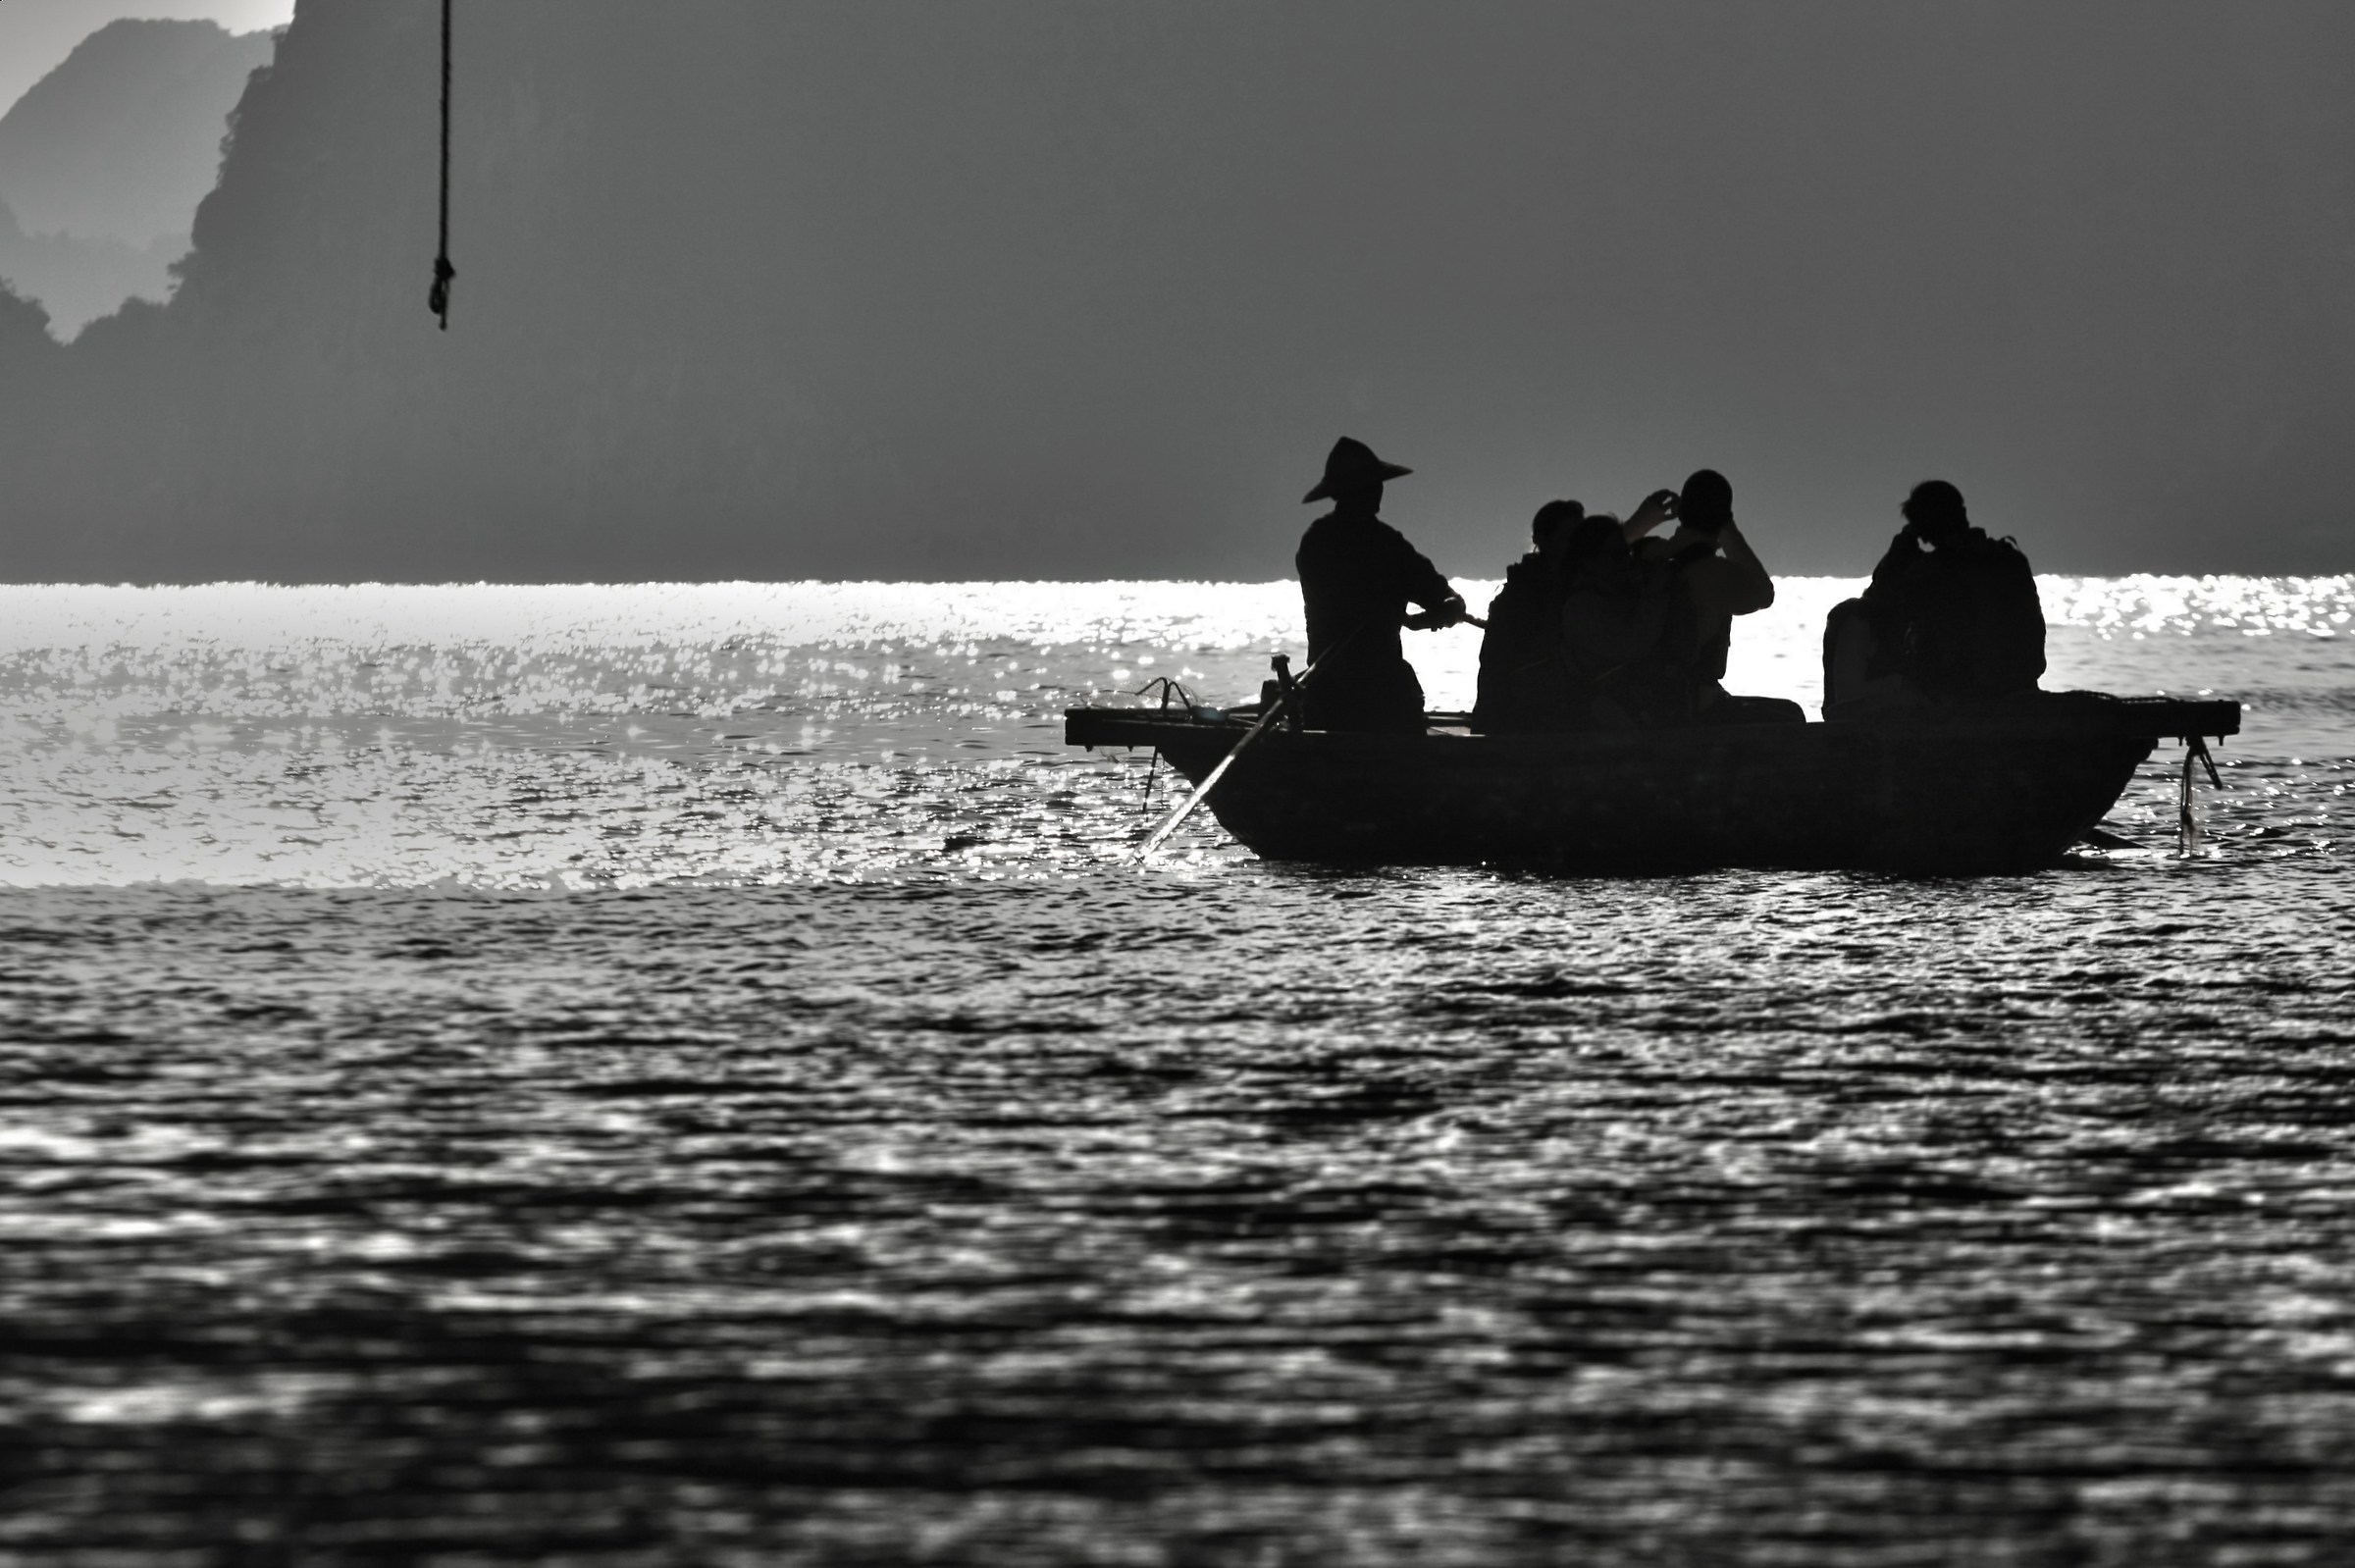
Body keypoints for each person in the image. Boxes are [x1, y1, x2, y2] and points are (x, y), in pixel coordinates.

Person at [1826, 480, 2045, 713]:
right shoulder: (2010, 560)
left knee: (1846, 614)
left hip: (1958, 694)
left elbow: (1876, 600)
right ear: (1962, 513)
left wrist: (1901, 548)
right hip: (2018, 684)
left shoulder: (1929, 574)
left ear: (1923, 530)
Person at [1294, 437, 1466, 732]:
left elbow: (1442, 595)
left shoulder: (1390, 544)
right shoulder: (1320, 543)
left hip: (1384, 687)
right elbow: (1345, 601)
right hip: (1334, 687)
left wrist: (1439, 611)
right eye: (1369, 486)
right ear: (1347, 494)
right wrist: (1397, 614)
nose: (1377, 491)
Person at [1629, 469, 1800, 724]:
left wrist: (1640, 522)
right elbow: (1764, 594)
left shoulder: (1646, 557)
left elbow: (1588, 563)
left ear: (1681, 513)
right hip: (1692, 709)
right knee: (1791, 715)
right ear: (1722, 517)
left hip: (1640, 702)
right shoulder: (1718, 574)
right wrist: (1728, 527)